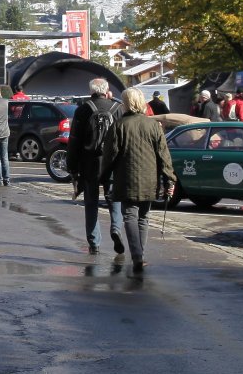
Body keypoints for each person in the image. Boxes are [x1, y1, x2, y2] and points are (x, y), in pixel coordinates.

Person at [101, 88, 176, 275]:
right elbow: (164, 155)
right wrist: (169, 179)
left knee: (130, 215)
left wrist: (103, 177)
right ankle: (139, 255)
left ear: (126, 103)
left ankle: (137, 257)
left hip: (126, 177)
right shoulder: (153, 125)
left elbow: (109, 156)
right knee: (144, 217)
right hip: (149, 178)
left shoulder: (119, 125)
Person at [68, 77, 124, 255]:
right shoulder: (118, 108)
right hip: (112, 161)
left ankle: (94, 242)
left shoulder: (83, 110)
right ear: (107, 90)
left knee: (91, 203)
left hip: (89, 162)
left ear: (91, 90)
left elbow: (74, 141)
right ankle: (116, 228)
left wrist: (73, 167)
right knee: (114, 199)